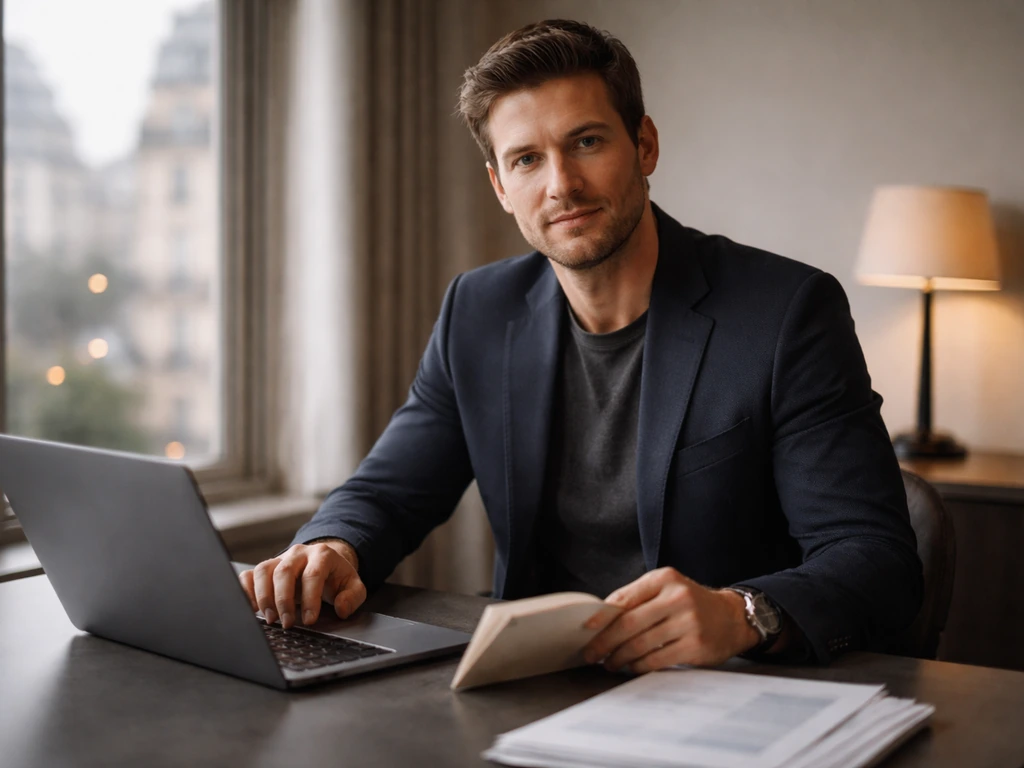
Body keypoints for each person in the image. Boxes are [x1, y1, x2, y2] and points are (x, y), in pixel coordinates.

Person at [240, 19, 922, 672]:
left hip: (723, 689)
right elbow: (388, 493)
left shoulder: (785, 313)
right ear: (501, 186)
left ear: (645, 145)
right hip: (532, 684)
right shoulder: (476, 311)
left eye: (587, 142)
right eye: (527, 159)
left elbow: (875, 558)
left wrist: (741, 613)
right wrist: (332, 545)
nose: (561, 184)